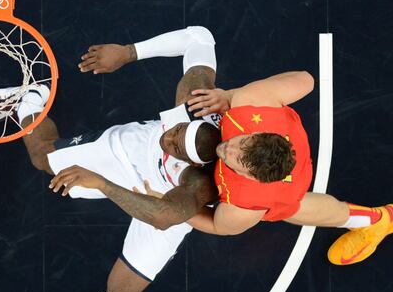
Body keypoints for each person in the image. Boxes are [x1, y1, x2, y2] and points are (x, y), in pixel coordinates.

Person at [4, 26, 224, 292]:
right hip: (130, 151)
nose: (170, 139)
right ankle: (29, 99)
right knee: (42, 157)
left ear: (192, 164)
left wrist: (103, 184)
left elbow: (163, 216)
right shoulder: (196, 102)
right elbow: (199, 37)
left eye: (176, 147)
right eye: (177, 131)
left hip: (164, 202)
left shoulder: (197, 184)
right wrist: (127, 52)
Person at [74, 49, 393, 266]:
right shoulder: (252, 103)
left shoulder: (247, 202)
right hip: (283, 132)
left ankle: (378, 221)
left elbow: (216, 226)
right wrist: (227, 95)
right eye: (240, 144)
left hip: (285, 191)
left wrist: (169, 202)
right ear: (254, 133)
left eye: (236, 160)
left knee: (294, 208)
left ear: (250, 176)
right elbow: (307, 80)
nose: (227, 149)